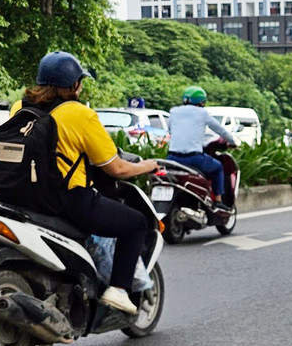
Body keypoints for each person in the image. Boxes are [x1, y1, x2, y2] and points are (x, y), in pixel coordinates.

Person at [23, 52, 159, 315]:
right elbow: (116, 167)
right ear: (73, 85)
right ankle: (119, 289)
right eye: (79, 82)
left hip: (20, 197)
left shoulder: (21, 108)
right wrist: (147, 166)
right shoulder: (79, 114)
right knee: (136, 223)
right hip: (65, 201)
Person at [166, 86, 237, 204]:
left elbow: (170, 130)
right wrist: (232, 142)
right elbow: (220, 130)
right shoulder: (203, 113)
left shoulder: (174, 111)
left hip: (172, 158)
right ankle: (219, 201)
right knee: (218, 167)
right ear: (201, 101)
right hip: (193, 159)